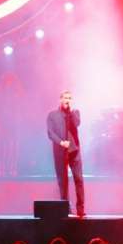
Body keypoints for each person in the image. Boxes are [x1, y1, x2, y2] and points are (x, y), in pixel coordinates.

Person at [46, 89, 85, 217]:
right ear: (61, 99)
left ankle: (80, 210)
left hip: (74, 151)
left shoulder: (75, 113)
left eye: (69, 98)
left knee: (79, 179)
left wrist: (71, 111)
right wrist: (61, 142)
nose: (67, 100)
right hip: (61, 152)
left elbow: (77, 123)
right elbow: (50, 133)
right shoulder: (52, 115)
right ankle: (66, 210)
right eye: (65, 98)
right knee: (63, 182)